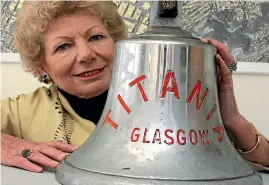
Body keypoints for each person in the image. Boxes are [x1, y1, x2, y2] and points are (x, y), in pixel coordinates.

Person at [1, 1, 268, 173]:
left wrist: (231, 120)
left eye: (96, 37)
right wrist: (5, 144)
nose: (85, 55)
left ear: (119, 45)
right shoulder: (23, 110)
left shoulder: (171, 97)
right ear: (42, 65)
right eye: (63, 46)